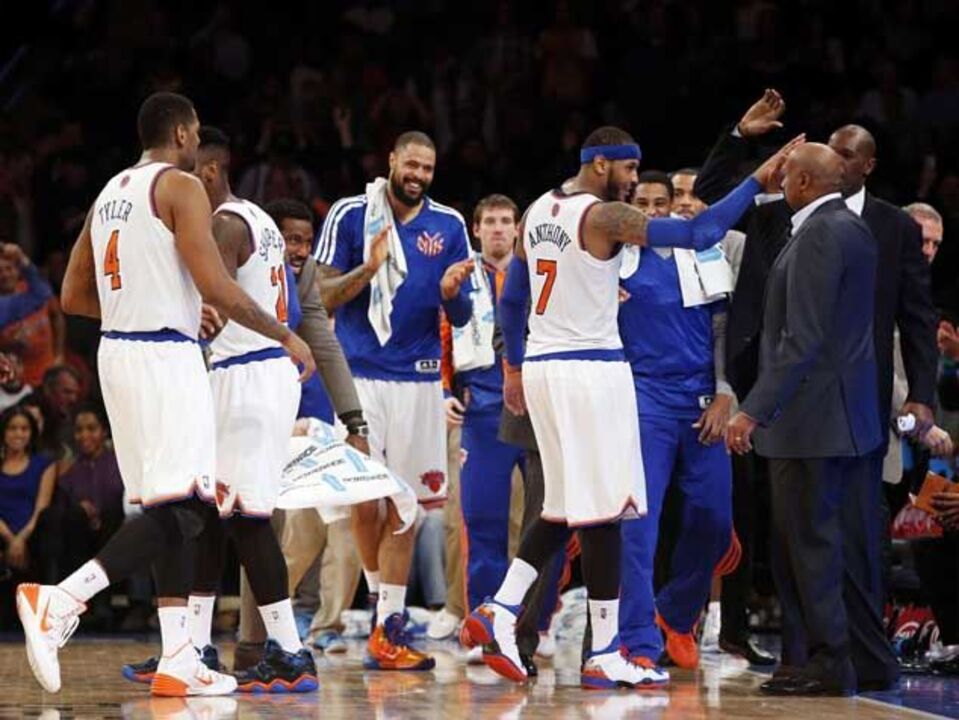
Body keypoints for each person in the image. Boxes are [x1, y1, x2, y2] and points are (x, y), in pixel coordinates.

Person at [465, 126, 795, 688]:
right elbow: (699, 231)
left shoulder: (541, 208)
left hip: (546, 367)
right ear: (600, 165)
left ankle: (499, 609)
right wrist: (756, 181)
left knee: (563, 508)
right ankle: (607, 651)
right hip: (590, 369)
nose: (634, 180)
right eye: (629, 170)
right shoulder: (603, 217)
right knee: (606, 513)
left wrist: (516, 366)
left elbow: (515, 294)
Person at [16, 91, 313, 697]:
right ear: (183, 135)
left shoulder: (108, 195)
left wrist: (141, 305)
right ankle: (60, 599)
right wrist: (286, 335)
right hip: (165, 357)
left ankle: (179, 655)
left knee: (173, 507)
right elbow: (218, 289)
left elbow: (73, 296)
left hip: (117, 355)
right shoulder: (181, 188)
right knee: (186, 506)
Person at [697, 89, 939, 670]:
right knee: (802, 541)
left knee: (835, 542)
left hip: (825, 409)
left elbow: (904, 320)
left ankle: (839, 661)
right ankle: (818, 660)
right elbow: (712, 200)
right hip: (796, 404)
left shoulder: (867, 228)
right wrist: (741, 137)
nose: (781, 179)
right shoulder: (794, 219)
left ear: (864, 167)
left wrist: (922, 397)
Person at [121, 127, 318, 693]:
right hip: (246, 372)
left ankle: (289, 651)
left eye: (187, 174)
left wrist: (190, 321)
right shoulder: (254, 216)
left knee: (248, 518)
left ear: (208, 173)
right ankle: (197, 645)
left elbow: (217, 302)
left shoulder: (226, 225)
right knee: (210, 510)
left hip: (252, 372)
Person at [726, 143, 896, 696]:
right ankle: (822, 659)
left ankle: (828, 662)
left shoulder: (821, 233)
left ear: (801, 182)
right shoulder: (849, 227)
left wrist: (752, 410)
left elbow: (802, 340)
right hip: (835, 421)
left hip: (812, 423)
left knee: (812, 548)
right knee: (823, 547)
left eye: (784, 174)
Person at [313, 130, 475, 670]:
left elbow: (465, 317)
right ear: (390, 161)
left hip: (420, 378)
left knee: (406, 507)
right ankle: (387, 612)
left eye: (428, 168)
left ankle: (388, 625)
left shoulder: (449, 225)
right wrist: (370, 268)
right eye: (411, 164)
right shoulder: (349, 215)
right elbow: (320, 296)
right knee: (366, 500)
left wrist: (452, 298)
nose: (419, 175)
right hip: (358, 375)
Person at [616, 170, 735, 673]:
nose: (650, 210)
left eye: (659, 202)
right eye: (640, 202)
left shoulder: (703, 255)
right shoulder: (612, 260)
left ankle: (677, 614)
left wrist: (726, 393)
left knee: (715, 522)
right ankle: (636, 640)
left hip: (703, 403)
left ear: (671, 206)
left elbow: (722, 331)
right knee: (639, 527)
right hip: (644, 401)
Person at [249, 197, 365, 659]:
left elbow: (327, 345)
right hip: (251, 406)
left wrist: (354, 420)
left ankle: (315, 625)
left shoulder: (307, 278)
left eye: (306, 241)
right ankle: (252, 631)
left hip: (314, 419)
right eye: (291, 240)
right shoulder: (245, 269)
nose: (299, 250)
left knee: (338, 525)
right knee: (262, 524)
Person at [438, 194, 524, 662]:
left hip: (533, 411)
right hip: (480, 411)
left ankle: (533, 624)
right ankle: (482, 626)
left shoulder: (536, 276)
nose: (496, 229)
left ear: (516, 229)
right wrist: (443, 390)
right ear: (475, 229)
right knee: (482, 523)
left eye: (505, 221)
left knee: (537, 523)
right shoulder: (459, 277)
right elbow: (441, 333)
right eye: (488, 221)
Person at [0, 407, 57, 586]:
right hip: (2, 534)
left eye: (24, 429)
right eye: (12, 428)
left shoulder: (45, 464)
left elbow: (42, 507)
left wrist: (21, 539)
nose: (19, 434)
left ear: (32, 433)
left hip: (33, 534)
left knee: (50, 522)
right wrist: (10, 539)